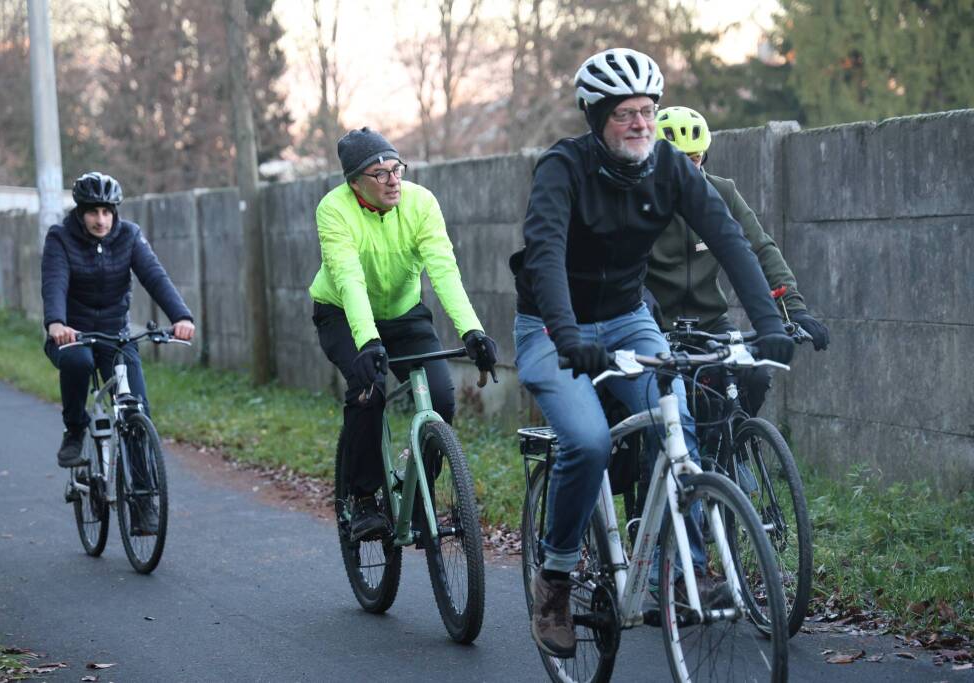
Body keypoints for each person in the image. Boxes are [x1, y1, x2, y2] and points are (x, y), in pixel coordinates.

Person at [509, 48, 795, 658]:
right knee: (587, 441)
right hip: (549, 327)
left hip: (628, 318)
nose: (640, 124)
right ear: (596, 120)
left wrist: (769, 323)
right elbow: (545, 257)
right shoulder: (563, 168)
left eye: (647, 111)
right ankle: (555, 580)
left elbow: (731, 239)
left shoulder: (669, 166)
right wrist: (566, 336)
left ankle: (684, 574)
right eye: (624, 115)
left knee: (679, 422)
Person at [309, 128, 497, 542]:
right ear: (355, 182)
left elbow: (444, 271)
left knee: (442, 399)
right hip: (342, 313)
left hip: (403, 314)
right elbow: (348, 279)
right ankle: (363, 500)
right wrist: (368, 342)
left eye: (397, 169)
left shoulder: (420, 202)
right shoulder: (333, 210)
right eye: (380, 174)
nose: (394, 180)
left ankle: (419, 496)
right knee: (368, 388)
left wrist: (472, 330)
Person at [648, 105, 830, 415]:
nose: (688, 170)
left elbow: (760, 249)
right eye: (679, 160)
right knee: (666, 404)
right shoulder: (642, 198)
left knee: (754, 375)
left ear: (704, 156)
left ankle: (733, 453)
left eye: (694, 159)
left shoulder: (722, 192)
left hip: (711, 321)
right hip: (654, 324)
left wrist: (795, 309)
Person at [42, 171, 195, 534]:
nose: (101, 220)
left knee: (136, 411)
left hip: (116, 337)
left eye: (107, 212)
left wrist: (181, 316)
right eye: (93, 212)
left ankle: (143, 505)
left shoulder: (129, 236)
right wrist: (56, 323)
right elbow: (54, 281)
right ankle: (76, 430)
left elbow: (154, 276)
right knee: (78, 362)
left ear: (115, 212)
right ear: (80, 213)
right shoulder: (60, 239)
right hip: (72, 335)